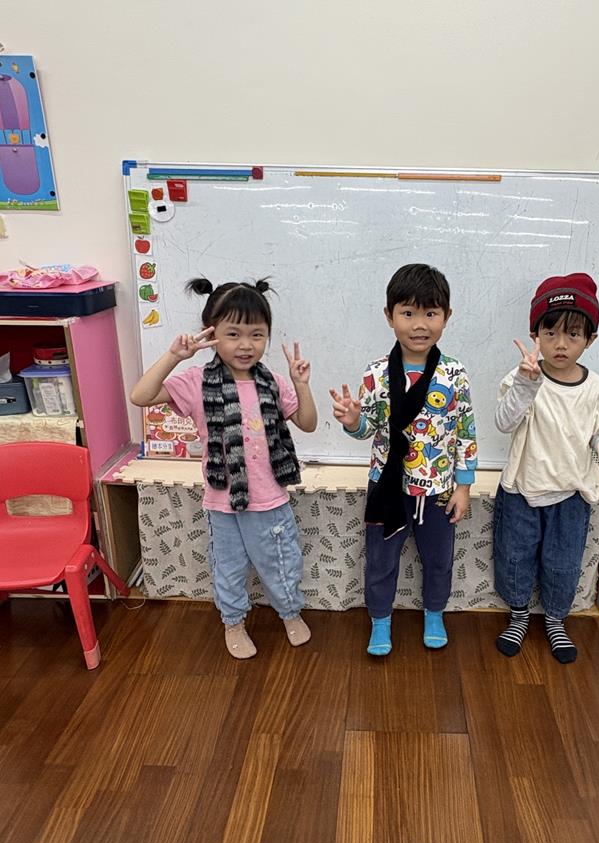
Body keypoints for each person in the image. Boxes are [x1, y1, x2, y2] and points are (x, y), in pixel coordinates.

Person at [130, 278, 317, 659]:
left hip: (271, 501)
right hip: (223, 503)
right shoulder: (196, 381)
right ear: (211, 334)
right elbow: (140, 396)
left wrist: (301, 384)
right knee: (228, 568)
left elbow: (309, 423)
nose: (246, 345)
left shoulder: (273, 382)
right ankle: (233, 622)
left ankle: (290, 612)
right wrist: (174, 356)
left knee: (282, 562)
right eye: (233, 334)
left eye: (256, 334)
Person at [330, 263, 477, 657]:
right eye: (408, 313)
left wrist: (463, 487)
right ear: (389, 316)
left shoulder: (454, 373)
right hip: (387, 486)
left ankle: (434, 614)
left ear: (447, 316)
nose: (419, 324)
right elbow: (368, 430)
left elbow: (466, 431)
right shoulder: (377, 373)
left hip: (439, 489)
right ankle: (380, 620)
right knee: (381, 560)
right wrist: (353, 421)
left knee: (439, 560)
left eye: (430, 313)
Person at [493, 272, 599, 664]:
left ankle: (554, 620)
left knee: (563, 563)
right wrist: (525, 385)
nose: (560, 344)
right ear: (535, 335)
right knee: (515, 557)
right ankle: (518, 616)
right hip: (522, 489)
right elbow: (504, 422)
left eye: (573, 334)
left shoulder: (596, 388)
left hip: (571, 495)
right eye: (550, 333)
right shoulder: (523, 376)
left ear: (590, 340)